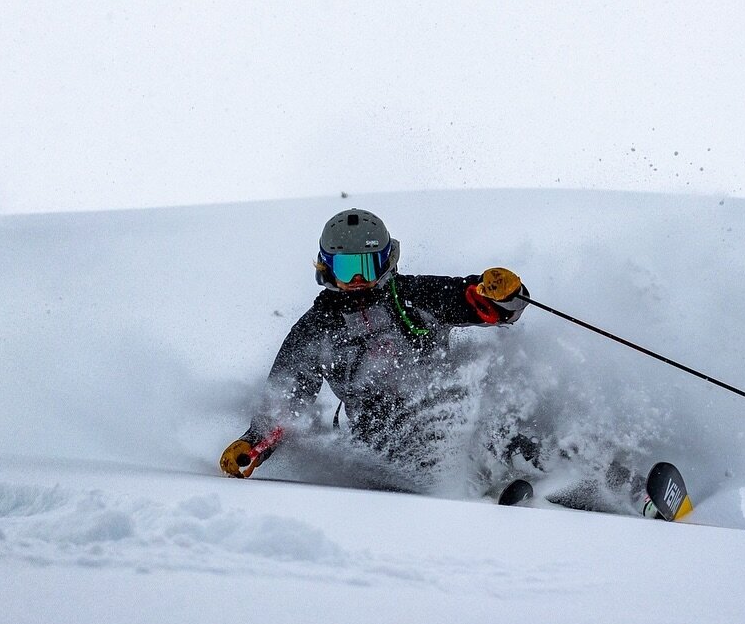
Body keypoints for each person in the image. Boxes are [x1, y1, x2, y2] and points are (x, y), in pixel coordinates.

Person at [220, 208, 529, 490]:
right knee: (399, 446)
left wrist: (505, 294)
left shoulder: (414, 296)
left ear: (386, 261)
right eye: (346, 268)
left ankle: (539, 473)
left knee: (493, 396)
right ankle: (447, 494)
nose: (357, 279)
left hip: (451, 408)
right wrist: (254, 443)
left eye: (367, 266)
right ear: (326, 268)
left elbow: (484, 304)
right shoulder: (316, 329)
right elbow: (287, 401)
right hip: (382, 434)